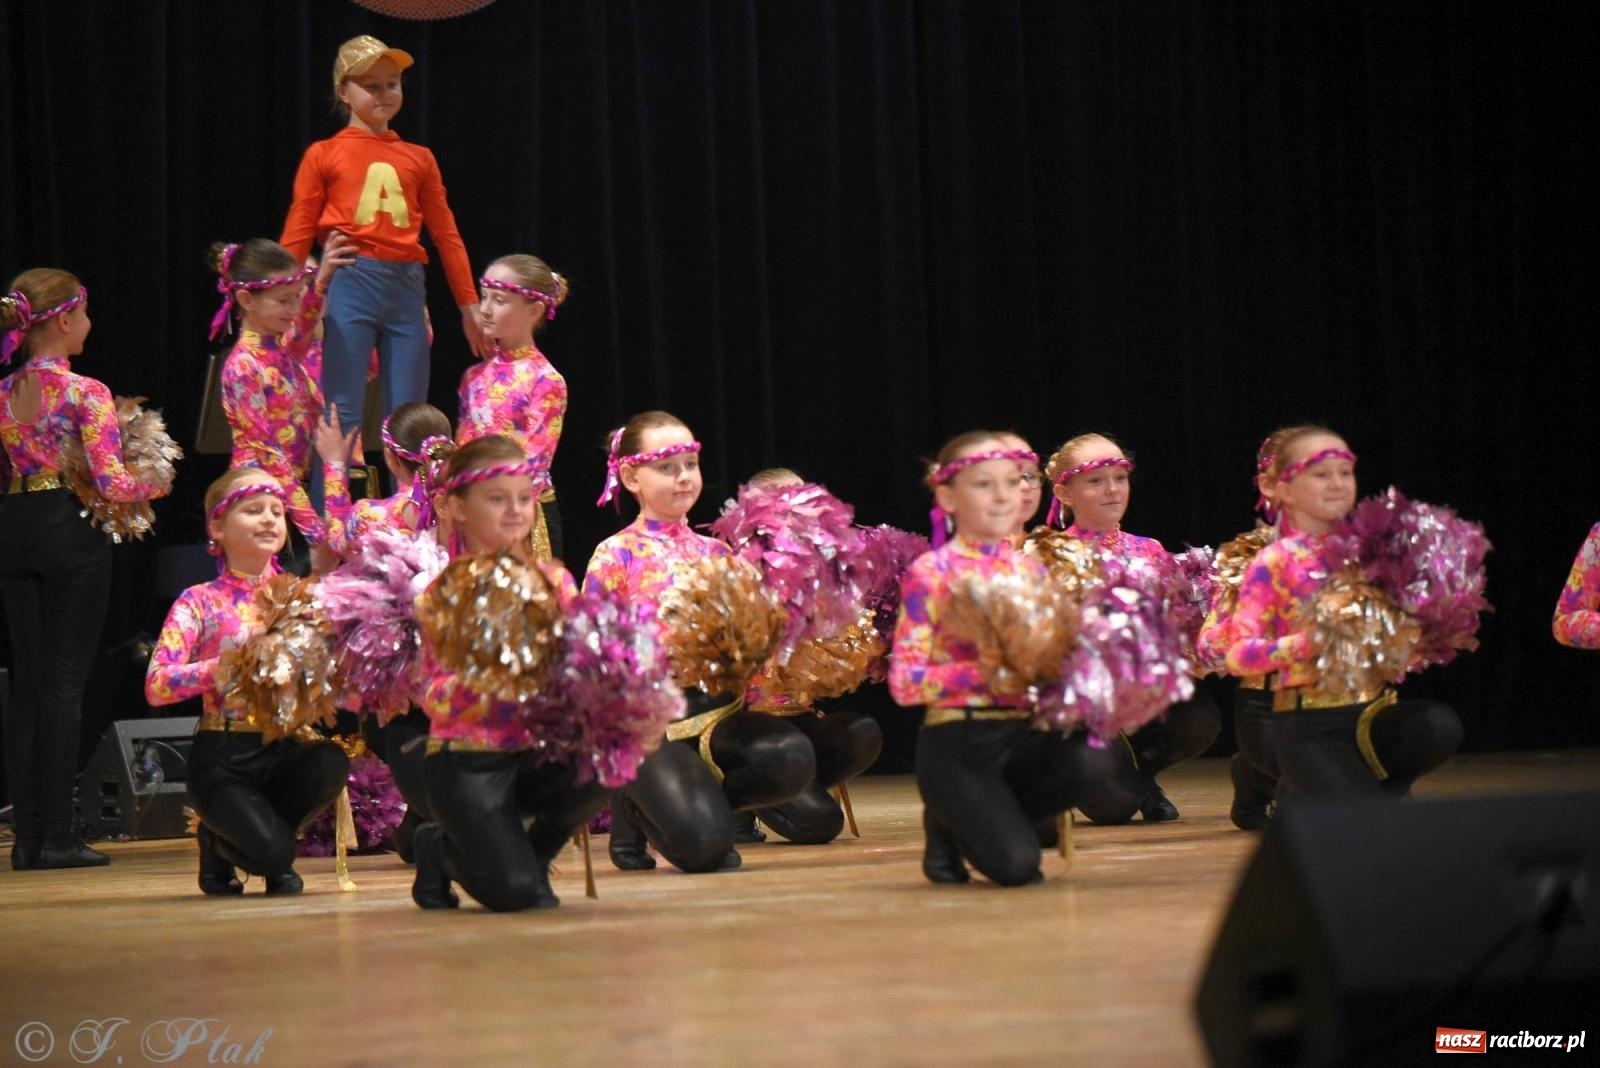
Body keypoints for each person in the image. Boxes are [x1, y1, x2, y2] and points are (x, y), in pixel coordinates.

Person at [891, 431, 1140, 887]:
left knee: (1093, 758)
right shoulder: (934, 574)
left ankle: (968, 821)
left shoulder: (1030, 568)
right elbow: (906, 681)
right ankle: (953, 820)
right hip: (961, 743)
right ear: (947, 496)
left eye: (1014, 481)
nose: (1004, 495)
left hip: (1022, 736)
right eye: (984, 484)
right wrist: (991, 670)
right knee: (1019, 868)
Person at [585, 411, 813, 873]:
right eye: (667, 467)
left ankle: (707, 807)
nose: (683, 477)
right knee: (709, 853)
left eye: (689, 464)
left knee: (792, 760)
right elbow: (596, 658)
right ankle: (641, 806)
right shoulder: (616, 555)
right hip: (656, 729)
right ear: (631, 476)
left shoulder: (718, 553)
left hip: (718, 719)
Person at [1, 269, 168, 870]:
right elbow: (112, 483)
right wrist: (156, 479)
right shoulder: (84, 392)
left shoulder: (4, 390)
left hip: (14, 527)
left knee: (28, 686)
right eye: (87, 314)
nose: (91, 326)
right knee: (66, 687)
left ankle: (26, 840)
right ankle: (59, 837)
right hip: (68, 533)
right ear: (65, 320)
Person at [411, 435, 610, 910]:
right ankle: (439, 849)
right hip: (466, 759)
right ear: (457, 507)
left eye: (524, 498)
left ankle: (527, 861)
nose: (515, 511)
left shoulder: (555, 581)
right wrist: (500, 678)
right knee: (519, 895)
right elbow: (429, 691)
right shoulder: (441, 588)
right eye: (497, 499)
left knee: (609, 753)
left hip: (532, 756)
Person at [279, 34, 490, 459]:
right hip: (351, 281)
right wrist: (284, 298)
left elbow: (447, 235)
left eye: (392, 83)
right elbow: (299, 230)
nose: (385, 93)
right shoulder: (325, 153)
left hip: (406, 287)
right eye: (371, 85)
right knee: (341, 412)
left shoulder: (419, 157)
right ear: (343, 90)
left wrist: (468, 306)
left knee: (410, 418)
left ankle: (409, 519)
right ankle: (332, 521)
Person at [1225, 427, 1463, 800]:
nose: (1336, 483)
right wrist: (1307, 643)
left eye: (1345, 472)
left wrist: (1420, 635)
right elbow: (1238, 654)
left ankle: (1362, 796)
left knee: (1438, 724)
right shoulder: (1274, 561)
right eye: (1320, 474)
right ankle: (1313, 793)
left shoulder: (1371, 551)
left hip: (1370, 712)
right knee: (1363, 824)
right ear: (1285, 489)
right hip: (1308, 724)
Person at [145, 470, 350, 894]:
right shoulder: (199, 600)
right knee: (278, 861)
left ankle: (250, 838)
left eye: (277, 511)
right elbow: (157, 685)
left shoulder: (299, 597)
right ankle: (228, 840)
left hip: (281, 748)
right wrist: (227, 665)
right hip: (224, 757)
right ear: (218, 528)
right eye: (253, 510)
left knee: (331, 760)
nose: (270, 520)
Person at [1042, 433, 1221, 821]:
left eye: (1119, 478)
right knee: (1115, 810)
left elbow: (1176, 623)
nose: (1112, 490)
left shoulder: (1149, 550)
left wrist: (1198, 645)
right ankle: (1082, 777)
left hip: (1139, 702)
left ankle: (1140, 776)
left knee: (1198, 717)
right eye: (1095, 480)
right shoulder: (1048, 556)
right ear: (1065, 493)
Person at [735, 467, 884, 845]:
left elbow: (840, 653)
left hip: (798, 720)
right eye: (783, 506)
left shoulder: (820, 572)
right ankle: (739, 797)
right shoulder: (732, 568)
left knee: (862, 732)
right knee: (820, 824)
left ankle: (783, 792)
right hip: (748, 729)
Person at [210, 234, 355, 548]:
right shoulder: (244, 366)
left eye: (296, 296)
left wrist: (323, 279)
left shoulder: (281, 351)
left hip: (287, 499)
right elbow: (269, 453)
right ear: (247, 300)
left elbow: (303, 323)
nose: (294, 308)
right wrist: (314, 529)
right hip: (260, 503)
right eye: (283, 300)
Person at [1196, 428, 1300, 829]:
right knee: (1323, 804)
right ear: (1269, 486)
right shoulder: (1249, 555)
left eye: (1336, 472)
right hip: (1268, 704)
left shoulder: (1359, 551)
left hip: (1344, 703)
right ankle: (1258, 770)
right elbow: (1209, 644)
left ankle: (1256, 775)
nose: (1327, 485)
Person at [457, 254, 571, 560]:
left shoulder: (545, 380)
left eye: (499, 300)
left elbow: (533, 462)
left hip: (521, 515)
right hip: (474, 514)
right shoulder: (474, 377)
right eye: (484, 298)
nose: (485, 309)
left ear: (533, 310)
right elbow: (463, 447)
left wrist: (493, 508)